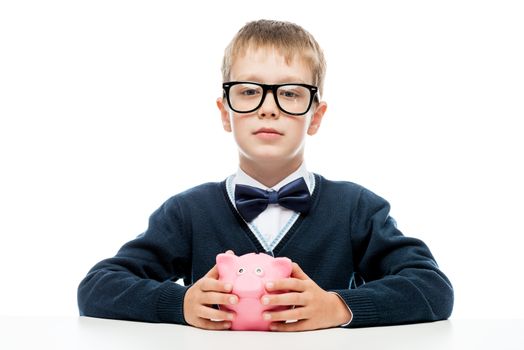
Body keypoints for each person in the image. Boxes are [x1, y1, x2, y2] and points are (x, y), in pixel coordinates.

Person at [77, 19, 453, 331]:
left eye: (289, 93)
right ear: (226, 113)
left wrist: (338, 307)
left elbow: (432, 287)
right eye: (249, 91)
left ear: (315, 116)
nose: (269, 109)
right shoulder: (188, 212)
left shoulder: (356, 208)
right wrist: (181, 303)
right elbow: (96, 287)